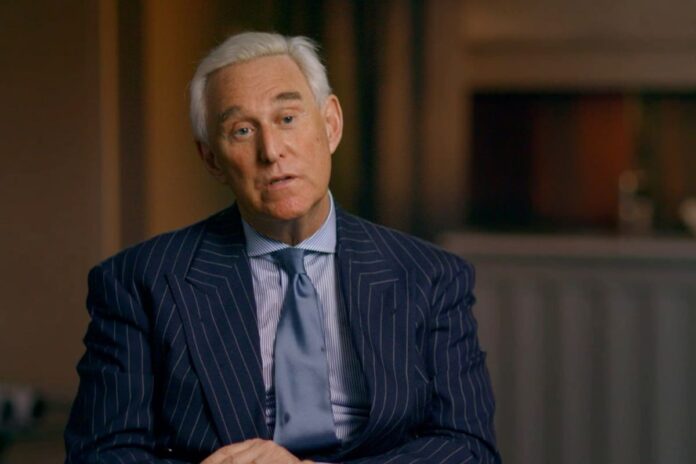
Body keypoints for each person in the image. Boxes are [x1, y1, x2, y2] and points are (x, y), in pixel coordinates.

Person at [64, 32, 500, 464]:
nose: (271, 151)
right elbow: (100, 454)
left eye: (287, 118)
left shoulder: (430, 276)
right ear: (212, 159)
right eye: (241, 130)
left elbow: (468, 446)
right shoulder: (139, 282)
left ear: (330, 124)